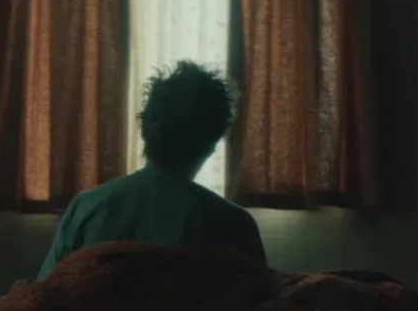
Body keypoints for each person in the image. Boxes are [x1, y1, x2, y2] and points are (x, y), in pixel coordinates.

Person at [37, 60, 268, 279]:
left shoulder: (86, 208)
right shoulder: (235, 225)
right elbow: (260, 303)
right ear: (212, 143)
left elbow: (42, 295)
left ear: (145, 128)